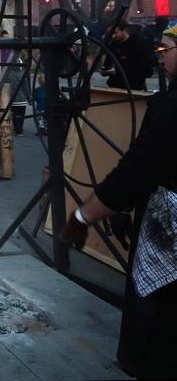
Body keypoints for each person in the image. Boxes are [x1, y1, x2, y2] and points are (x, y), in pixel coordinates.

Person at [62, 21, 177, 377]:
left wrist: (83, 216)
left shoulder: (172, 108)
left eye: (166, 50)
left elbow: (139, 169)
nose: (162, 57)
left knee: (159, 334)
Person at [101, 19, 156, 91]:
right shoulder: (113, 45)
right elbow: (108, 63)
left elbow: (147, 71)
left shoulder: (138, 45)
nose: (113, 36)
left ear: (123, 30)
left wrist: (119, 71)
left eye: (115, 33)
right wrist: (105, 71)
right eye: (111, 34)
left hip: (133, 88)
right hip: (113, 87)